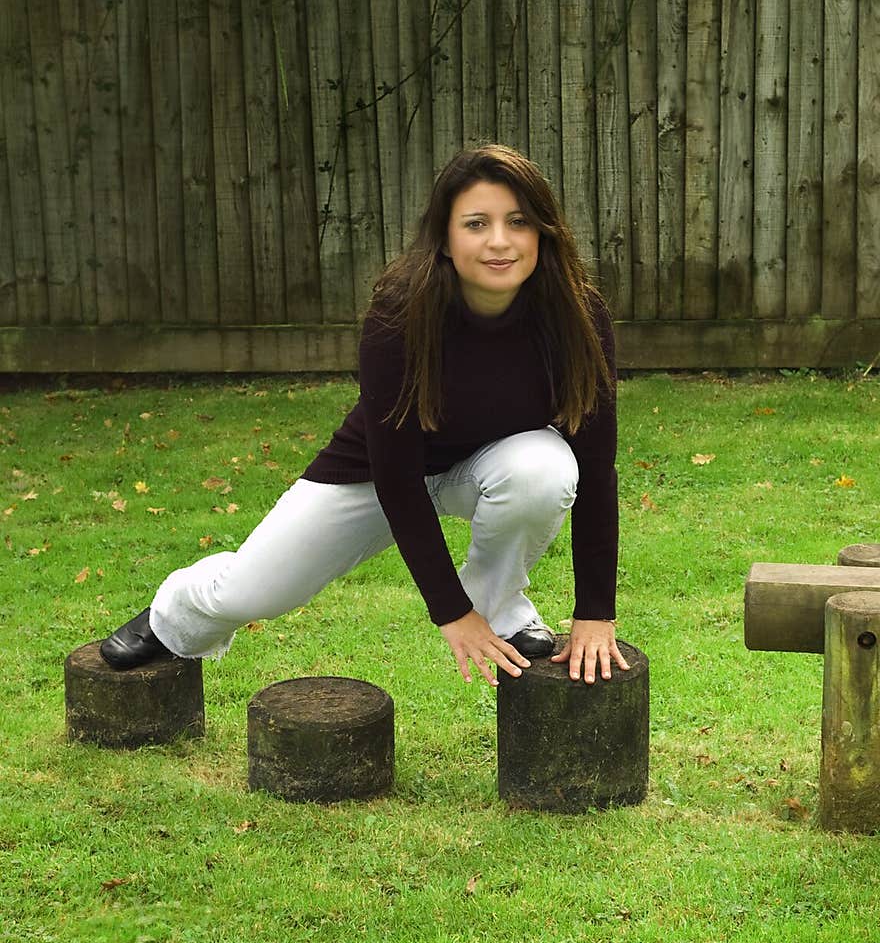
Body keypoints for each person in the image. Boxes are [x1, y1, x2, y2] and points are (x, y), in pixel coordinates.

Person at [100, 143, 629, 687]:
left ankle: (499, 605)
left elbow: (595, 468)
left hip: (494, 468)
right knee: (254, 591)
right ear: (445, 239)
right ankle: (174, 613)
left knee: (546, 467)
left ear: (542, 231)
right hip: (376, 475)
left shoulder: (578, 317)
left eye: (518, 221)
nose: (499, 241)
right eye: (476, 223)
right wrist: (450, 612)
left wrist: (595, 611)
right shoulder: (402, 310)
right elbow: (397, 479)